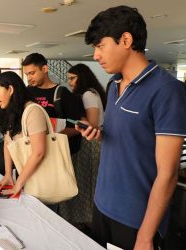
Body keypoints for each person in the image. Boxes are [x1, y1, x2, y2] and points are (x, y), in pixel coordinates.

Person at [79, 5, 186, 249]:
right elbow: (130, 139)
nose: (96, 55)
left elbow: (168, 173)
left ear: (125, 40)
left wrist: (146, 236)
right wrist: (99, 135)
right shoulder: (113, 84)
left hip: (135, 219)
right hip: (102, 204)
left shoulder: (167, 91)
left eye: (100, 46)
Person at [59, 63, 106, 231]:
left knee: (87, 183)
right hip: (92, 143)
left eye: (73, 78)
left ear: (82, 77)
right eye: (68, 79)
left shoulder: (88, 94)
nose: (70, 82)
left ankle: (89, 221)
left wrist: (75, 119)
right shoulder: (92, 93)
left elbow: (91, 125)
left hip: (91, 143)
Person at [0, 71, 48, 199]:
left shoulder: (33, 110)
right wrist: (8, 174)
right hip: (24, 177)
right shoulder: (12, 112)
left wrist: (18, 183)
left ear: (10, 89)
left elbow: (39, 152)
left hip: (40, 178)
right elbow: (7, 143)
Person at [22, 53, 85, 155]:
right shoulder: (26, 92)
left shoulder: (63, 93)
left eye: (32, 73)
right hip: (31, 151)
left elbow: (77, 127)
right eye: (26, 74)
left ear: (44, 69)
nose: (28, 78)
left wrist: (50, 136)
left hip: (55, 153)